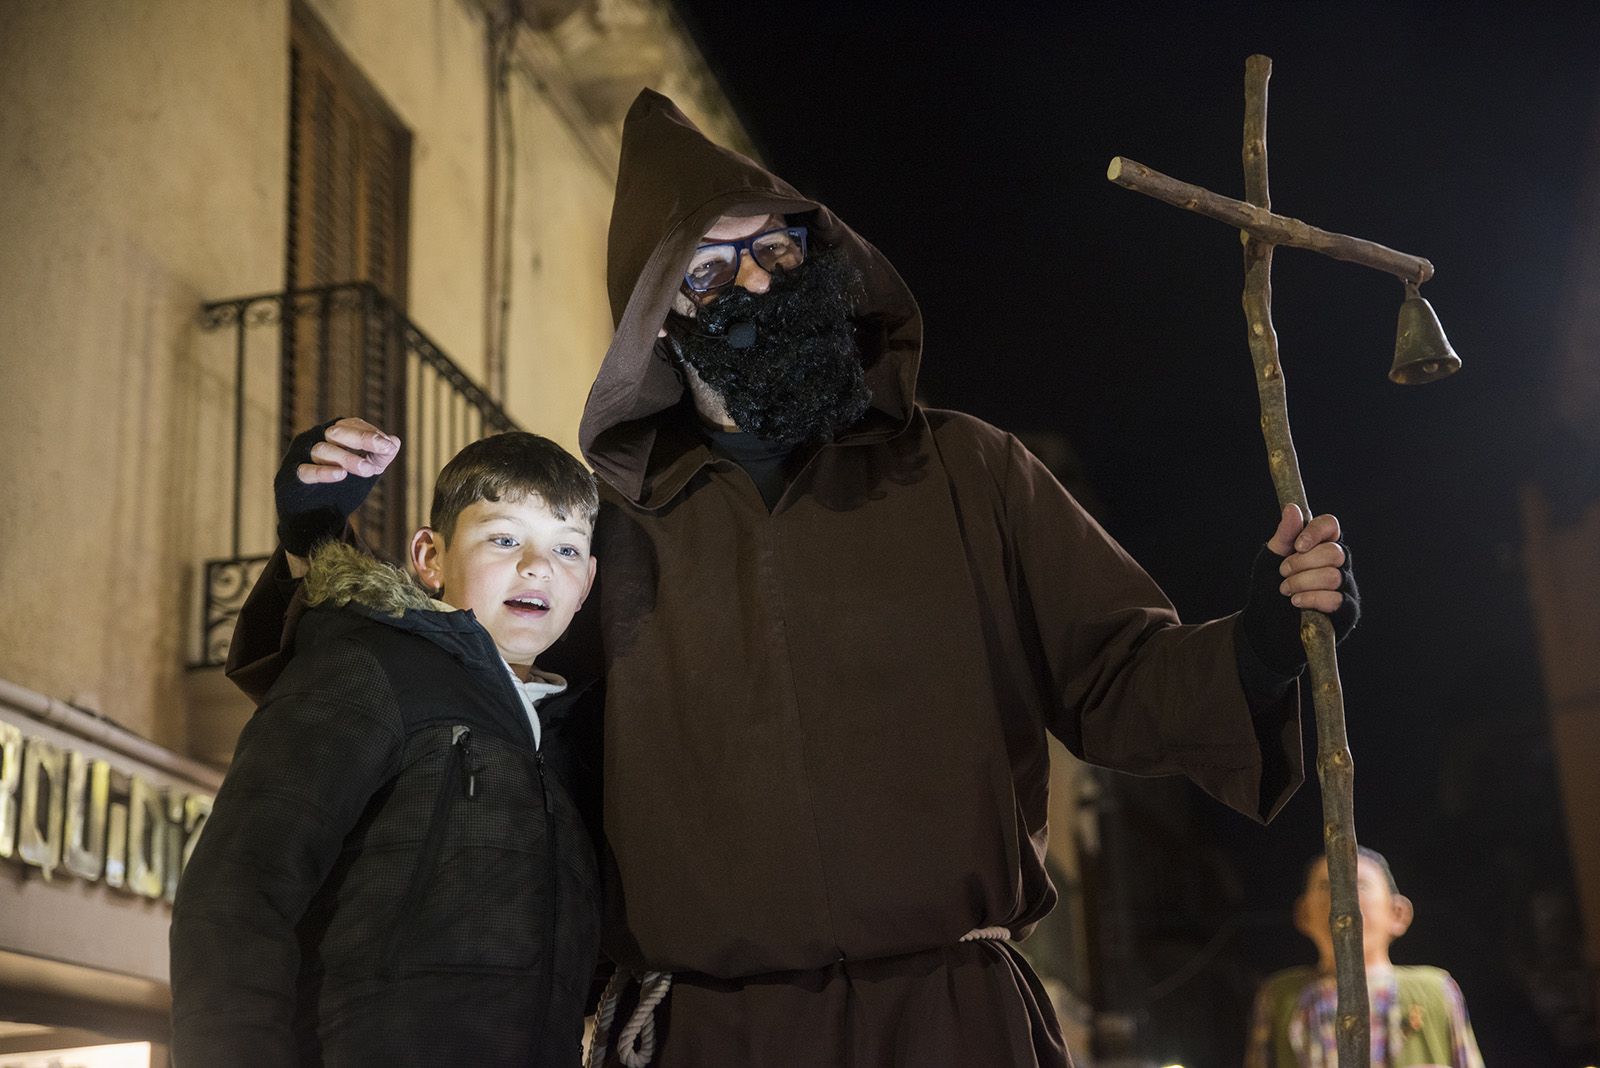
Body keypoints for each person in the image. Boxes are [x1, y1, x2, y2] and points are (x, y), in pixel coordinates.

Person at [228, 91, 1358, 1067]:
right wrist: (313, 545)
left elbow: (1118, 675)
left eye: (779, 252)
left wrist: (1263, 635)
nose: (758, 287)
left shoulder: (969, 472)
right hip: (703, 1038)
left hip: (947, 1027)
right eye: (713, 272)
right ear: (660, 326)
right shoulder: (601, 531)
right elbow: (451, 688)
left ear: (830, 263)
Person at [171, 429, 604, 1067]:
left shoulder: (576, 739)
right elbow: (238, 895)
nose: (537, 566)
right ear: (430, 558)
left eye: (567, 548)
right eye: (504, 538)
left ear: (588, 582)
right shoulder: (370, 668)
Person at [1245, 847, 1485, 1067]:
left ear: (1397, 913)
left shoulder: (1435, 991)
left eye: (1359, 885)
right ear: (1304, 913)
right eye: (1326, 886)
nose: (1340, 900)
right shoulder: (1280, 995)